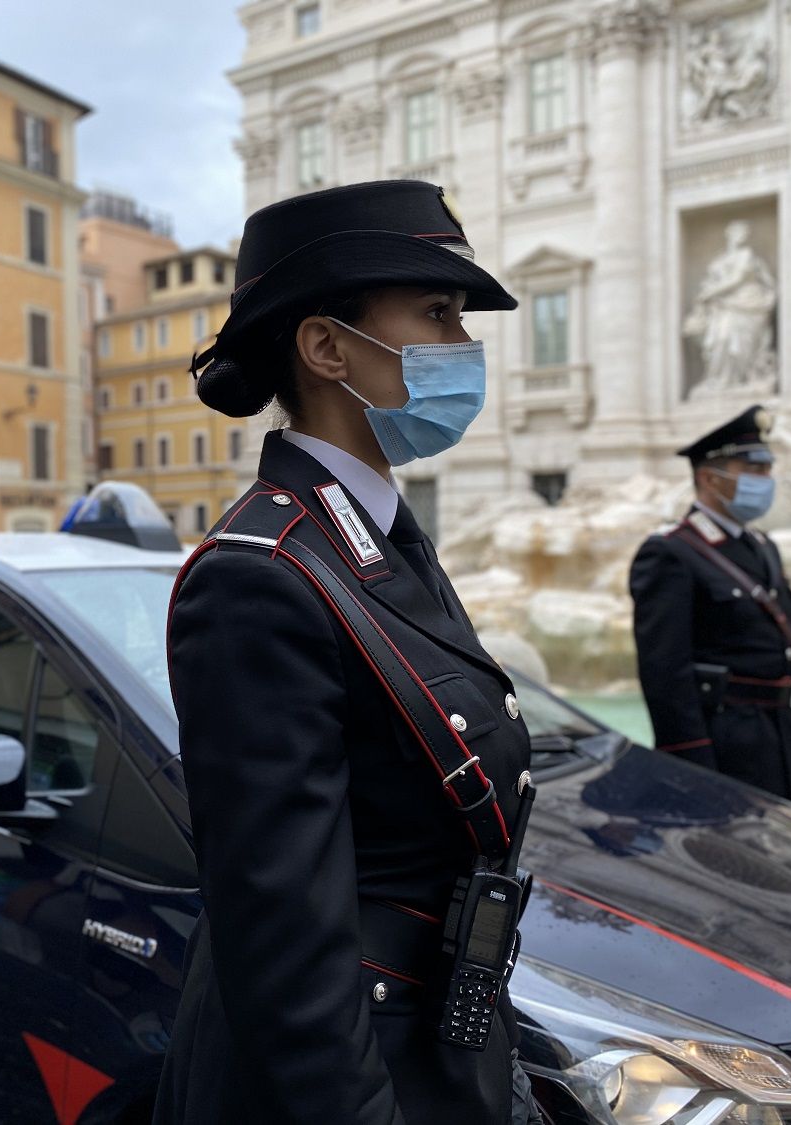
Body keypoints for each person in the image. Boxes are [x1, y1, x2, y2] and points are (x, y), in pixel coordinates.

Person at [154, 180, 540, 1124]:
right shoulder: (260, 576)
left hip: (436, 1046)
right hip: (356, 1083)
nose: (466, 348)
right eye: (440, 315)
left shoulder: (375, 535)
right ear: (327, 347)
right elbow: (285, 945)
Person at [628, 405, 791, 804]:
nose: (766, 481)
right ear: (710, 478)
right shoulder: (671, 552)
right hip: (727, 749)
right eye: (754, 470)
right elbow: (665, 671)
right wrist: (690, 763)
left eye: (767, 469)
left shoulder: (763, 547)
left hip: (785, 739)